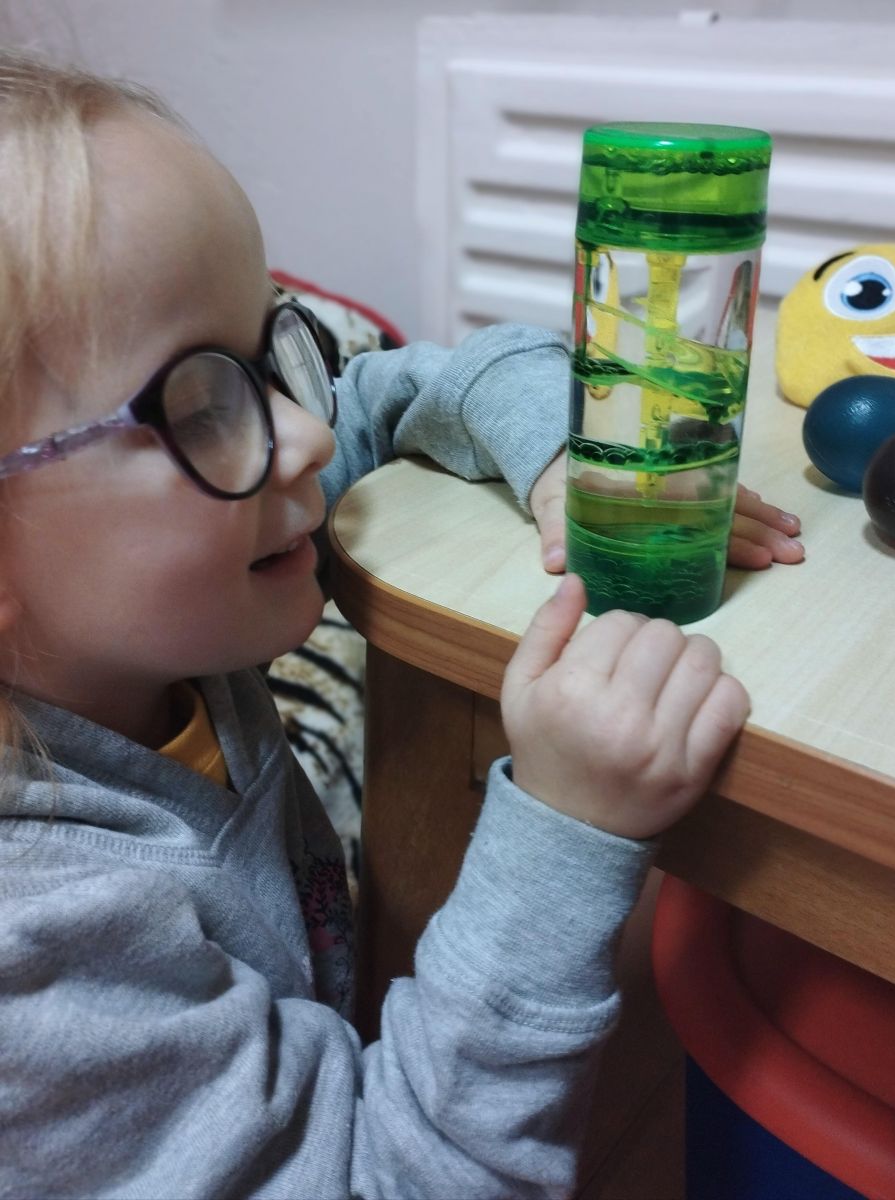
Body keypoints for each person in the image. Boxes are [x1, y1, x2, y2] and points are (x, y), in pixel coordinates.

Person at [0, 50, 803, 1199]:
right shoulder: (39, 955)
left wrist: (561, 457)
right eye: (203, 404)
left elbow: (414, 384)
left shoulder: (157, 590)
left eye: (272, 353)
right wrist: (565, 831)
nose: (309, 437)